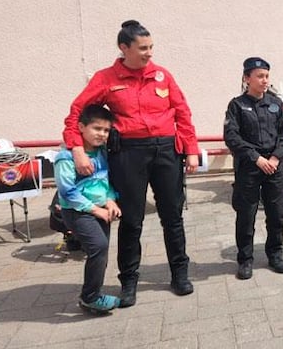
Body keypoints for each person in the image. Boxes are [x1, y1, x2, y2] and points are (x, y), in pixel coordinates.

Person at [63, 20, 199, 308]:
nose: (149, 53)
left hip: (165, 152)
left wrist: (191, 150)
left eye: (151, 47)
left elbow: (183, 113)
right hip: (128, 155)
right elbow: (77, 112)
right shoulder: (106, 78)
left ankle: (180, 274)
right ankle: (129, 282)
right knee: (131, 221)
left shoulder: (162, 76)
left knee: (172, 217)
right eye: (143, 48)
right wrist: (77, 148)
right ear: (124, 48)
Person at [224, 57, 283, 279]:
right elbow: (231, 136)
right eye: (260, 76)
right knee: (246, 215)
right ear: (247, 78)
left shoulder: (275, 103)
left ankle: (275, 254)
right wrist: (256, 158)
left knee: (276, 214)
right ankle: (245, 259)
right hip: (250, 168)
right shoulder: (237, 105)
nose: (265, 81)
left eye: (267, 76)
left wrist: (275, 157)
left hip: (273, 166)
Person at [56, 105, 122, 314]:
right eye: (97, 128)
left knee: (100, 253)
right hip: (78, 211)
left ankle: (94, 295)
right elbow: (67, 192)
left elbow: (106, 181)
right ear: (81, 127)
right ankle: (90, 297)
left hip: (101, 209)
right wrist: (96, 210)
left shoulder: (102, 152)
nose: (102, 134)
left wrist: (111, 200)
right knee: (99, 247)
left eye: (106, 130)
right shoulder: (66, 157)